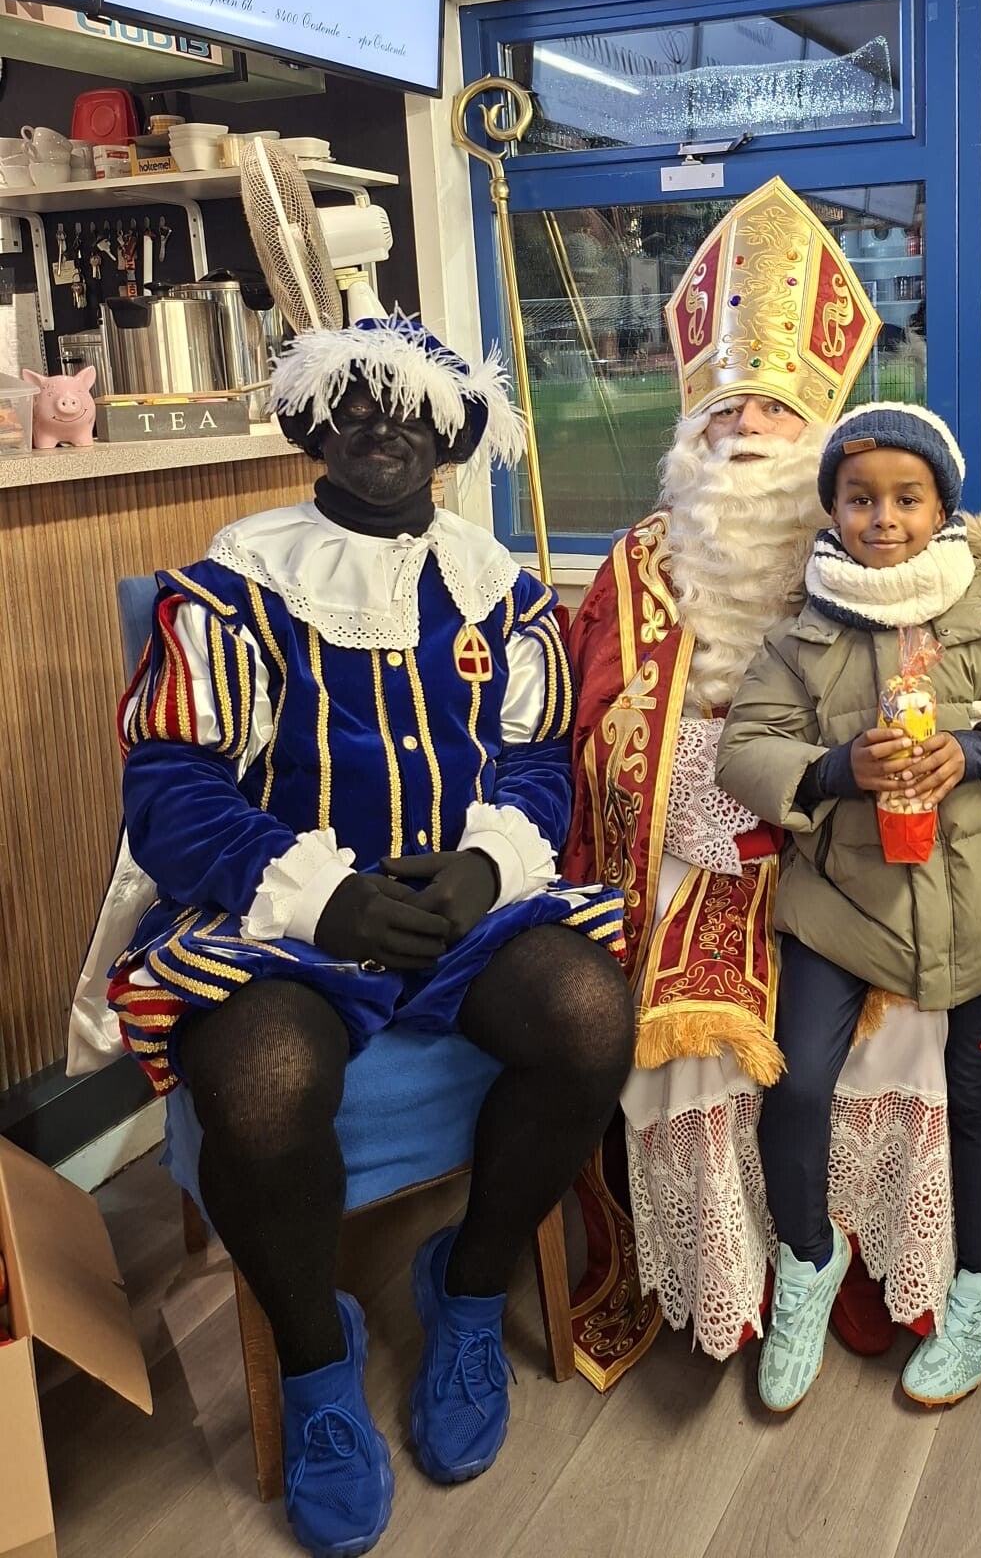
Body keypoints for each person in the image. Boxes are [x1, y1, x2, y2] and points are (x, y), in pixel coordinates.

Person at [68, 314, 633, 1558]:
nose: (383, 427)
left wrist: (488, 866)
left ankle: (469, 1285)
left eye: (410, 408)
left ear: (450, 435)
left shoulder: (499, 587)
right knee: (263, 1080)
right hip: (285, 916)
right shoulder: (234, 582)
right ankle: (318, 1360)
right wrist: (323, 897)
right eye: (355, 406)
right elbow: (171, 787)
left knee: (593, 1016)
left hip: (465, 909)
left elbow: (539, 760)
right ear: (314, 428)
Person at [564, 178, 960, 1384]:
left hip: (850, 846)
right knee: (688, 1034)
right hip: (689, 855)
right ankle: (738, 1285)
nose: (746, 426)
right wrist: (680, 790)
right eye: (725, 404)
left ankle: (862, 1272)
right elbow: (594, 724)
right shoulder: (638, 559)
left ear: (821, 432)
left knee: (909, 1020)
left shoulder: (871, 548)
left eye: (778, 407)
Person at [717, 403, 981, 1412]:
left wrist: (980, 748)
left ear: (942, 509)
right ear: (833, 509)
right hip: (846, 909)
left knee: (980, 1097)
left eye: (907, 498)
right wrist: (833, 768)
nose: (882, 519)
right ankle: (808, 1263)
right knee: (795, 1084)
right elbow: (744, 750)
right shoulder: (802, 635)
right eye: (860, 499)